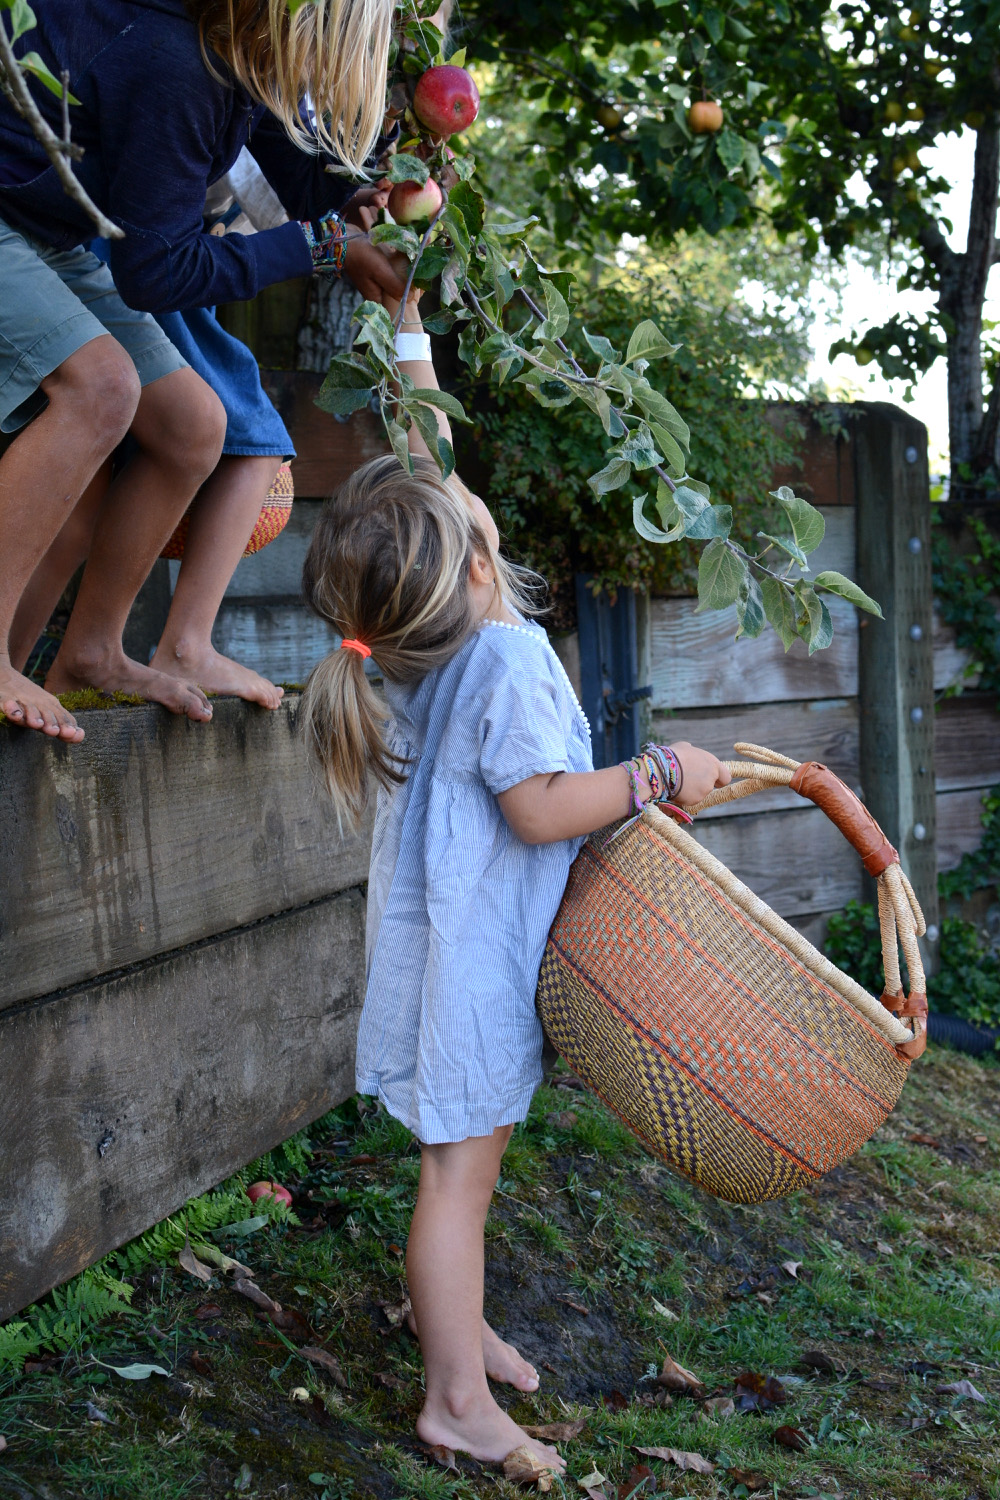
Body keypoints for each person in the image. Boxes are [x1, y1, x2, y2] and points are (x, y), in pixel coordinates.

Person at [298, 296, 732, 1470]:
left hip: (442, 937)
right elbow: (537, 808)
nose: (463, 479)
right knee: (460, 1179)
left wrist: (404, 325)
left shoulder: (421, 628)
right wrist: (655, 771)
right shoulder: (506, 655)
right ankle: (453, 1400)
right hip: (478, 957)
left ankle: (458, 1318)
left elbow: (426, 456)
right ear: (476, 554)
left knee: (459, 1175)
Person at [0, 0, 405, 741]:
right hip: (9, 217)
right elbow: (156, 273)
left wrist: (360, 197)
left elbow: (294, 174)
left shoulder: (232, 62)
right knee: (104, 389)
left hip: (46, 233)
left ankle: (92, 652)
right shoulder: (177, 62)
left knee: (195, 426)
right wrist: (322, 248)